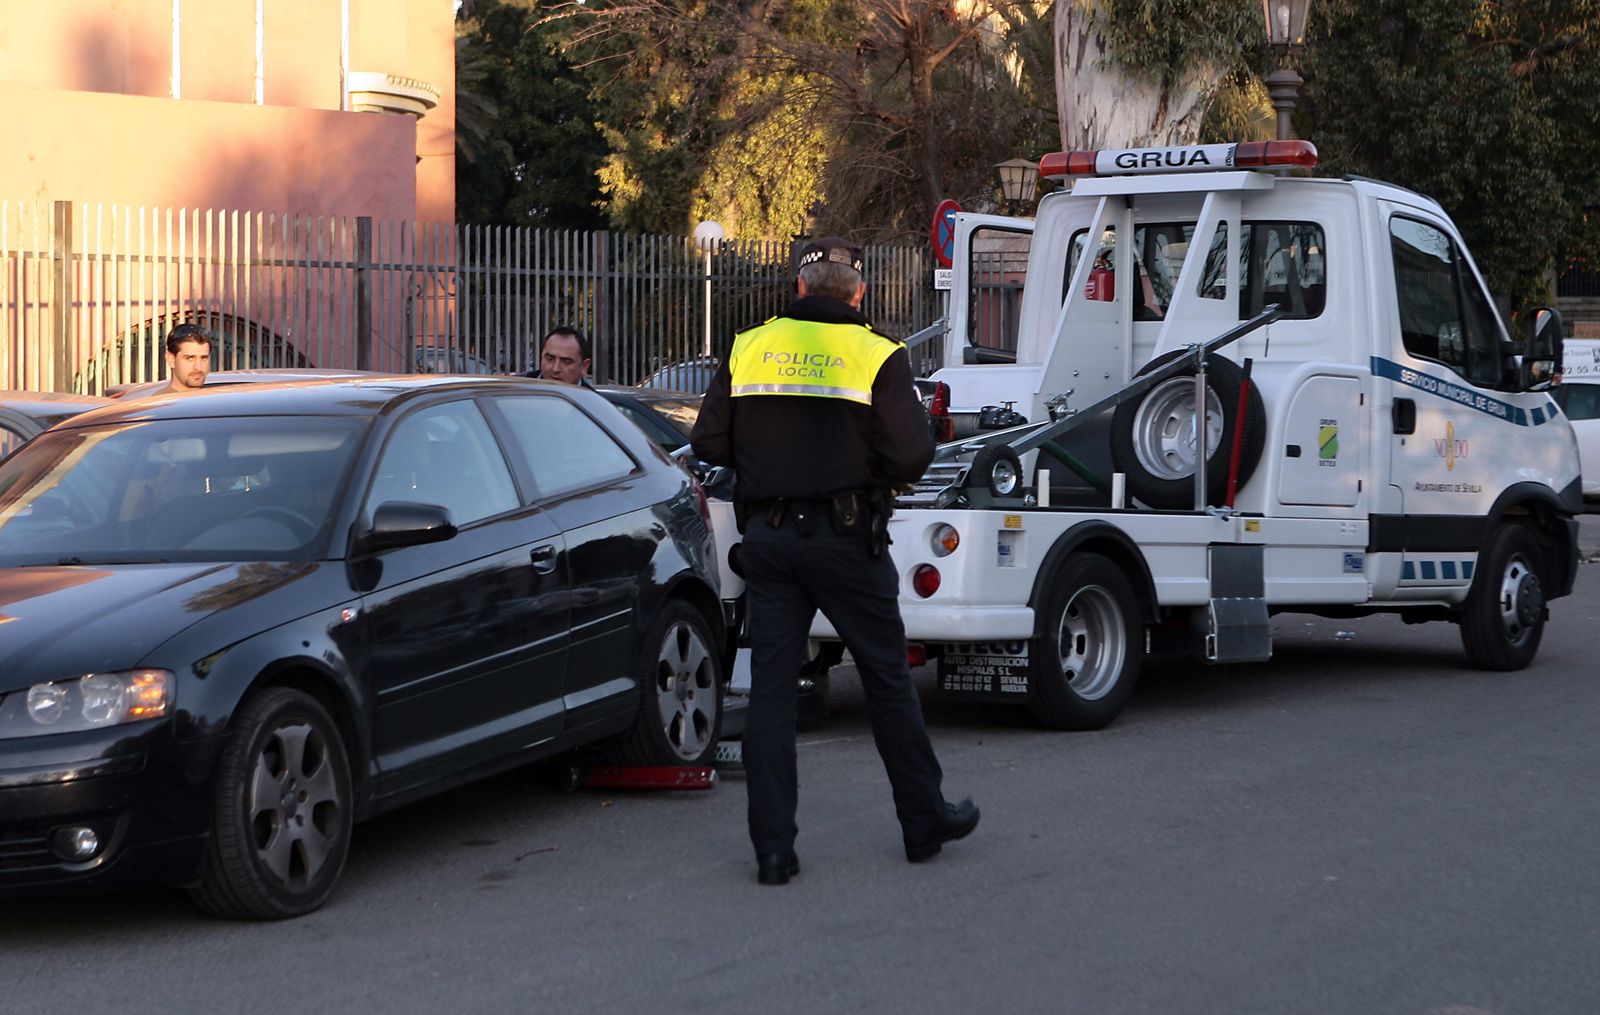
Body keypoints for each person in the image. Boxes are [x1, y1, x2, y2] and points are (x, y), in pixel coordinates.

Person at [691, 235, 979, 886]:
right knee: (885, 679)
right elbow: (911, 456)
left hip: (768, 539)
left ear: (798, 288)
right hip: (848, 541)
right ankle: (922, 820)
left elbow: (707, 437)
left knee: (770, 693)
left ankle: (773, 851)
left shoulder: (749, 345)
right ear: (858, 293)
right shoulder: (878, 353)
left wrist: (769, 459)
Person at [520, 326, 593, 386]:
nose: (555, 369)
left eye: (566, 362)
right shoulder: (516, 390)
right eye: (550, 359)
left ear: (584, 366)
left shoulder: (593, 402)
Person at [165, 323, 212, 393]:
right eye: (190, 359)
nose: (198, 368)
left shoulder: (217, 400)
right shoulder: (159, 402)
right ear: (171, 359)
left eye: (204, 358)